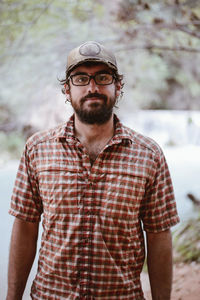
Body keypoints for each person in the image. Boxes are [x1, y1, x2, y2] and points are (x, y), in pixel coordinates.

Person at [7, 41, 179, 300]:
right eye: (80, 78)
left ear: (117, 86)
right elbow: (25, 227)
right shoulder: (37, 149)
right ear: (67, 89)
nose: (92, 87)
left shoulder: (149, 155)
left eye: (103, 77)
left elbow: (159, 237)